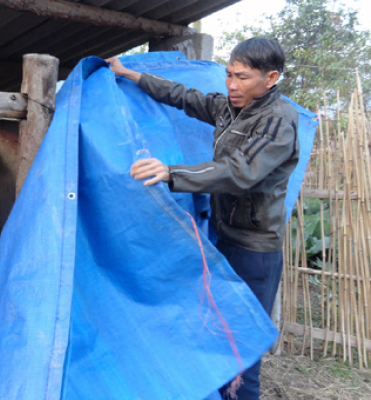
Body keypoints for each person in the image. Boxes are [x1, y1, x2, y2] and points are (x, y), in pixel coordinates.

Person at [106, 37, 299, 400]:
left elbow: (241, 171)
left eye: (242, 77)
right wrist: (130, 74)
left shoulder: (278, 121)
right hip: (224, 238)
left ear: (271, 78)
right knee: (219, 338)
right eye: (228, 75)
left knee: (243, 353)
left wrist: (172, 172)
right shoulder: (230, 108)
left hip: (255, 249)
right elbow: (184, 96)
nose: (231, 85)